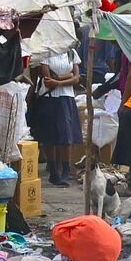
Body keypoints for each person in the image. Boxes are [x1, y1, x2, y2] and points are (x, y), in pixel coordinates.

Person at [33, 46, 82, 186]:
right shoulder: (46, 52)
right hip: (49, 97)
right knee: (50, 137)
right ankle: (54, 172)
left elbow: (77, 78)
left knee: (67, 137)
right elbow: (48, 80)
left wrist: (59, 80)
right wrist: (68, 76)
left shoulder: (71, 53)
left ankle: (65, 171)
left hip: (67, 97)